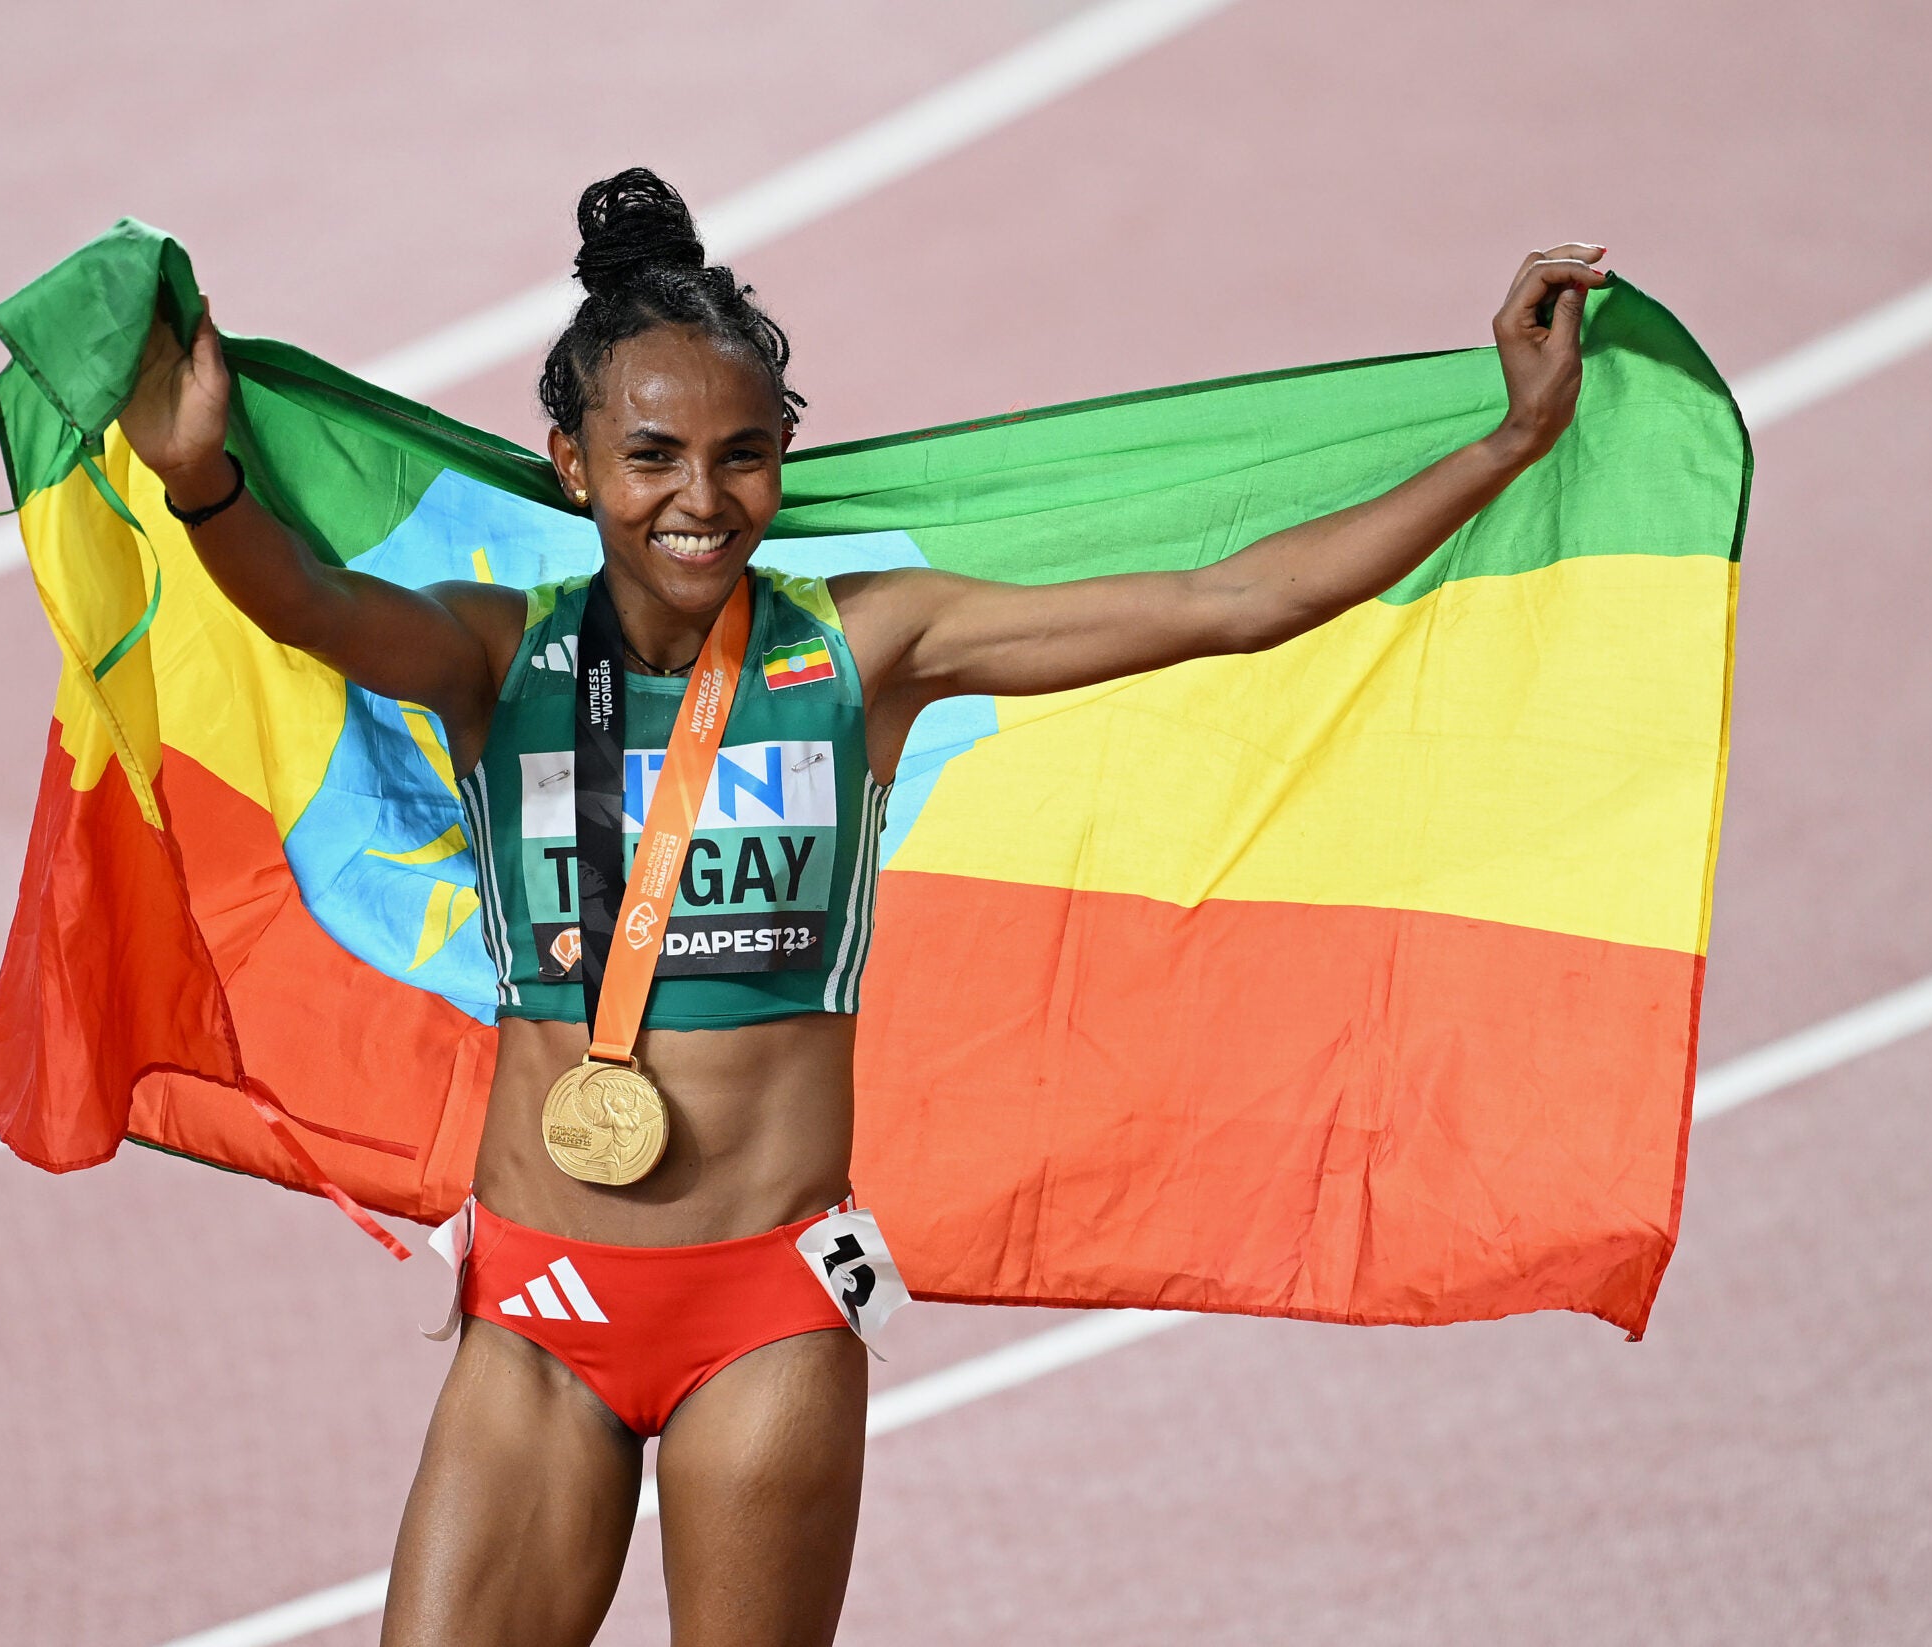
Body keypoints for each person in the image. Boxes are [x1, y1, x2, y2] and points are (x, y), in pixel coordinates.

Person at [116, 167, 1606, 1647]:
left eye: (743, 456)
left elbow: (1233, 604)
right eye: (651, 458)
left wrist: (1511, 441)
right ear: (570, 464)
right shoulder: (497, 657)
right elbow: (304, 602)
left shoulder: (867, 650)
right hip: (538, 1315)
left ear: (784, 457)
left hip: (764, 1315)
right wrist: (200, 482)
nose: (702, 502)